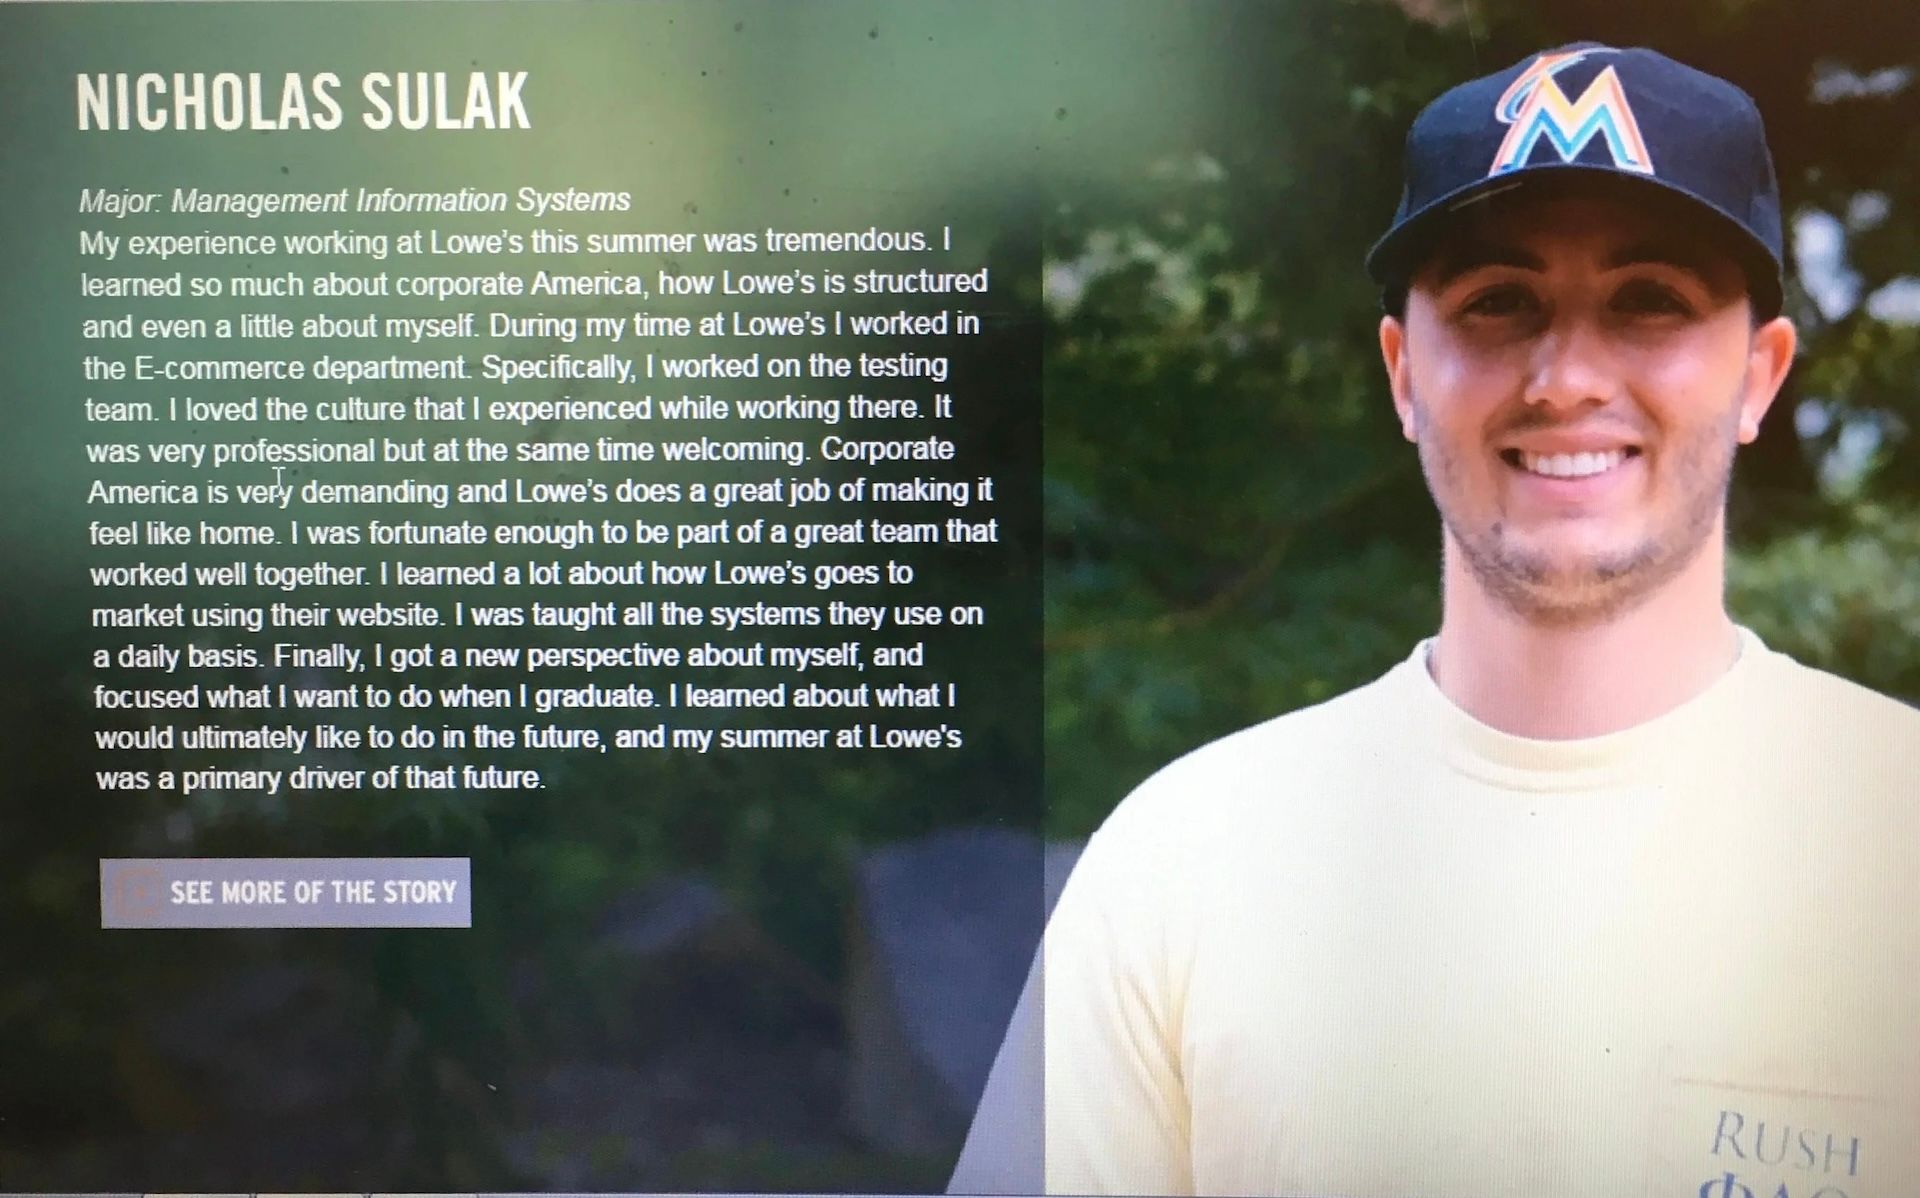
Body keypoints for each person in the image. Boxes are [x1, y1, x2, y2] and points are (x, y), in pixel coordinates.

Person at [950, 43, 1920, 1198]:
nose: (1565, 376)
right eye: (1498, 303)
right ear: (1404, 373)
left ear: (1760, 377)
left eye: (1651, 301)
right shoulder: (1182, 862)